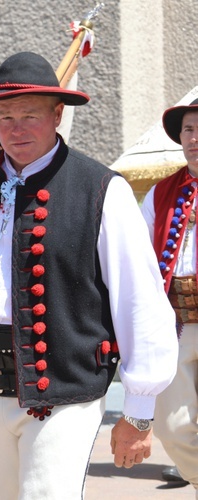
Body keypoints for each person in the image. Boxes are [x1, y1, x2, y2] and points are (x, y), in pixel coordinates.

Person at [0, 52, 179, 499]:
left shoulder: (101, 189)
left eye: (29, 116)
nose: (15, 129)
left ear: (58, 115)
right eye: (4, 116)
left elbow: (138, 298)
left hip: (63, 391)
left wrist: (139, 408)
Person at [140, 97, 198, 494]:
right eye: (189, 130)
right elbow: (140, 260)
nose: (195, 138)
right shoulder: (160, 193)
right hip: (174, 322)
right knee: (172, 426)